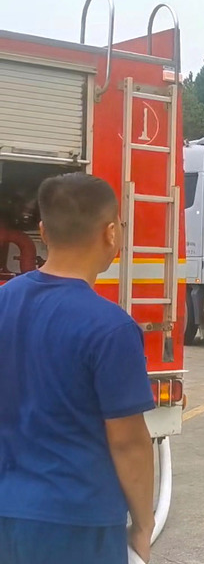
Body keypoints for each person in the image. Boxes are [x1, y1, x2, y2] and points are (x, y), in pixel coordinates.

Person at [0, 172, 156, 564]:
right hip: (77, 521)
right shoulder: (112, 327)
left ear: (42, 232)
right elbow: (128, 441)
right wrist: (142, 522)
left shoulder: (5, 301)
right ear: (111, 234)